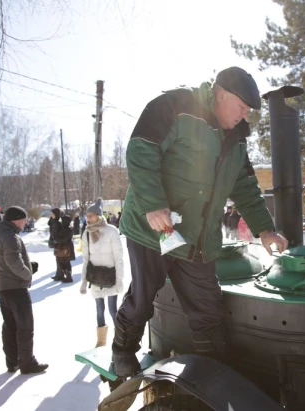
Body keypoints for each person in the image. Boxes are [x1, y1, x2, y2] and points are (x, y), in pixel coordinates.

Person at [111, 66, 288, 377]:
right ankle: (122, 351)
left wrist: (265, 229)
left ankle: (216, 372)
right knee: (142, 299)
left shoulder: (237, 140)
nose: (244, 116)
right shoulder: (177, 106)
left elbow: (245, 186)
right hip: (154, 231)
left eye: (248, 111)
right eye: (242, 107)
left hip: (197, 240)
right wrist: (154, 204)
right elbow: (141, 150)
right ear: (220, 94)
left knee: (208, 311)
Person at [0, 206, 47, 374]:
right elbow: (13, 262)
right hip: (15, 287)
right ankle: (27, 362)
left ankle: (12, 361)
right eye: (23, 219)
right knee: (25, 326)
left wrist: (29, 267)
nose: (25, 222)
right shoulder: (9, 237)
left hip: (2, 286)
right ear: (15, 220)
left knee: (10, 325)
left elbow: (9, 261)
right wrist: (27, 274)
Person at [79, 198, 124, 347]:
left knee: (112, 309)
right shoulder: (86, 233)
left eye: (91, 215)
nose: (88, 218)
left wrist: (119, 281)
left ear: (98, 215)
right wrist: (84, 282)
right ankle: (101, 341)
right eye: (87, 215)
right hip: (96, 277)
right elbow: (85, 259)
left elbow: (118, 257)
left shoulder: (111, 231)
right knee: (99, 310)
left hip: (110, 277)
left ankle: (120, 338)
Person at [54, 214, 75, 283]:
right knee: (64, 262)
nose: (61, 222)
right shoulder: (66, 228)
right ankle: (67, 276)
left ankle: (69, 277)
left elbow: (63, 239)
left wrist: (57, 239)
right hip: (65, 248)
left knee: (65, 262)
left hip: (65, 248)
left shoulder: (66, 229)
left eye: (63, 221)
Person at [48, 208, 64, 281]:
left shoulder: (57, 223)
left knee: (59, 259)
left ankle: (60, 275)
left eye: (53, 214)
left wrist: (55, 241)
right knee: (58, 259)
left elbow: (56, 234)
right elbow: (49, 224)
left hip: (58, 243)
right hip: (56, 243)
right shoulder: (54, 222)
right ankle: (59, 274)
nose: (51, 215)